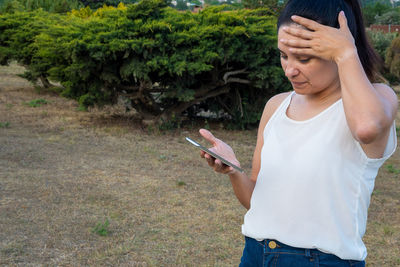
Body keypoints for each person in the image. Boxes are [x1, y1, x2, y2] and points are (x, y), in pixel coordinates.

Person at [197, 0, 398, 266]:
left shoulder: (378, 99)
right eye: (284, 55)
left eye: (304, 58)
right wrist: (234, 170)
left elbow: (366, 128)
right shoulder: (276, 106)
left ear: (338, 49)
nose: (290, 69)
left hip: (321, 260)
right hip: (256, 253)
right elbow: (256, 200)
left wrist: (348, 52)